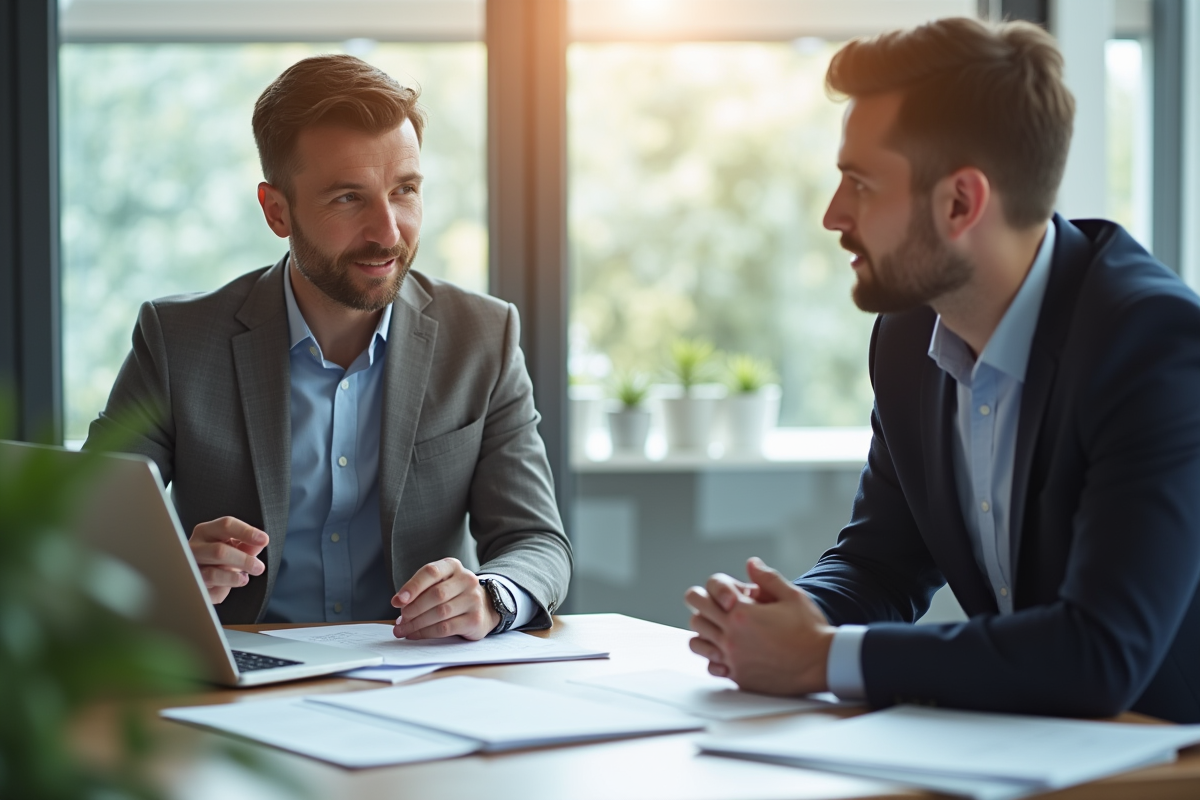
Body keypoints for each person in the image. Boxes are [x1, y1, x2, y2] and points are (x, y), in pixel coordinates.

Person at [686, 17, 1200, 723]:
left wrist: (822, 658)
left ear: (961, 202)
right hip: (1024, 752)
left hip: (1164, 762)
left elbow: (1101, 651)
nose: (834, 216)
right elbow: (884, 560)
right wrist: (790, 616)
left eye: (860, 185)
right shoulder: (906, 337)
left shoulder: (1152, 344)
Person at [87, 55, 572, 640]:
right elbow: (86, 529)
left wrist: (491, 598)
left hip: (420, 679)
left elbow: (536, 541)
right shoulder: (177, 340)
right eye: (348, 198)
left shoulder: (483, 337)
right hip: (240, 680)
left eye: (405, 191)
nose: (388, 231)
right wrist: (166, 571)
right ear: (277, 211)